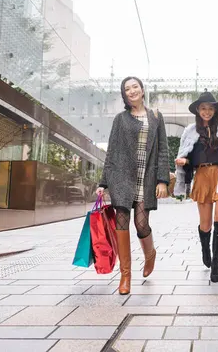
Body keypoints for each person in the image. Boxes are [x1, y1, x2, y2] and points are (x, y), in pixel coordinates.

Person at [96, 77, 170, 295]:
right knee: (121, 222)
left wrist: (162, 180)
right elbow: (112, 150)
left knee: (141, 224)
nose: (131, 91)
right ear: (124, 94)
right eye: (127, 89)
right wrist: (103, 182)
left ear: (142, 89)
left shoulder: (156, 116)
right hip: (121, 177)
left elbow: (163, 150)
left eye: (135, 87)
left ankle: (150, 255)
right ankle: (125, 275)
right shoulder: (120, 119)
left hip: (145, 178)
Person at [174, 91, 218, 282]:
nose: (207, 112)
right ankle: (206, 250)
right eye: (203, 108)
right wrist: (183, 161)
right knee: (205, 224)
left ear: (215, 110)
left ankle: (216, 263)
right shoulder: (190, 131)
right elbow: (187, 157)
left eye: (210, 108)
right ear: (198, 110)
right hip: (202, 176)